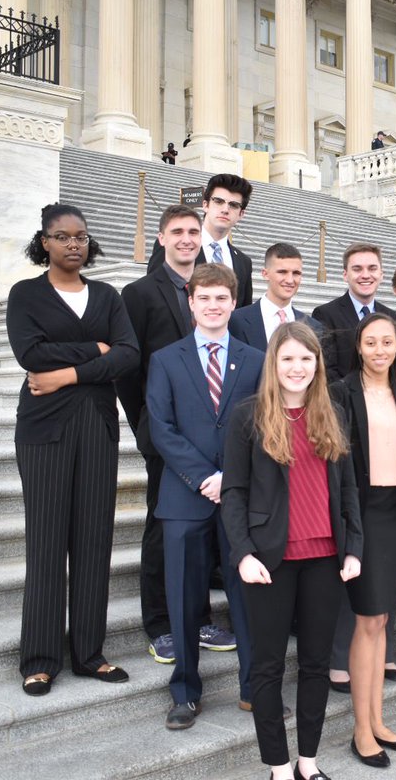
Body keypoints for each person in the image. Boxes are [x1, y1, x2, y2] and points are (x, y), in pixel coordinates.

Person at [6, 203, 139, 696]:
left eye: (80, 236)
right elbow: (29, 353)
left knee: (93, 541)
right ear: (44, 242)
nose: (73, 244)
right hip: (44, 430)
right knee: (46, 543)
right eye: (62, 237)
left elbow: (129, 354)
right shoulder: (26, 294)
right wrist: (95, 351)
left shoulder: (106, 295)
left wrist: (65, 375)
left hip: (98, 427)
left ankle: (89, 654)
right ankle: (40, 658)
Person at [220, 323, 364, 780]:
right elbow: (234, 492)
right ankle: (279, 767)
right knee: (267, 667)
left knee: (316, 665)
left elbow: (348, 489)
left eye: (306, 358)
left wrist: (354, 547)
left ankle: (308, 763)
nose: (297, 367)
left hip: (325, 558)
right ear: (273, 364)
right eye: (288, 358)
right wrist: (243, 553)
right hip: (269, 560)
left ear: (317, 364)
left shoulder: (332, 413)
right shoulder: (248, 416)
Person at [117, 205, 238, 666]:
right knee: (162, 530)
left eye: (193, 231)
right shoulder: (139, 293)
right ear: (161, 238)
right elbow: (129, 368)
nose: (187, 238)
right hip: (165, 436)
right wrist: (146, 423)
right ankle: (161, 624)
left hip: (212, 435)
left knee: (204, 531)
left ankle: (200, 618)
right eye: (178, 231)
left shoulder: (213, 287)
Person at [145, 263, 265, 728]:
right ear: (191, 303)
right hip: (184, 496)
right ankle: (185, 692)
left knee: (246, 595)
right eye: (204, 298)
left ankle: (254, 688)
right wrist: (203, 477)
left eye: (221, 298)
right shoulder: (166, 360)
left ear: (233, 303)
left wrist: (230, 476)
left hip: (240, 496)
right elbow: (162, 428)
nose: (213, 306)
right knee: (182, 597)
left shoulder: (255, 360)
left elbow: (264, 425)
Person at [330, 314, 396, 768]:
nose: (380, 350)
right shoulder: (341, 393)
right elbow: (335, 466)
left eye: (387, 342)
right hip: (362, 515)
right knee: (368, 620)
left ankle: (377, 721)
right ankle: (361, 729)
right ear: (359, 346)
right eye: (371, 342)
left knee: (383, 619)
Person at [147, 174, 254, 309]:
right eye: (218, 201)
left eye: (233, 205)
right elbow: (153, 294)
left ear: (241, 214)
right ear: (205, 205)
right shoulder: (174, 245)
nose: (225, 210)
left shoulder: (244, 263)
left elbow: (243, 313)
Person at [312, 243, 396, 382]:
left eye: (372, 268)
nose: (365, 275)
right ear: (345, 275)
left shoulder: (394, 318)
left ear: (381, 274)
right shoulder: (325, 314)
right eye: (357, 269)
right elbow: (327, 370)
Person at [229, 242, 323, 351]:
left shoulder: (313, 327)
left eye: (296, 273)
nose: (290, 280)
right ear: (265, 274)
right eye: (282, 272)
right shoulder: (236, 320)